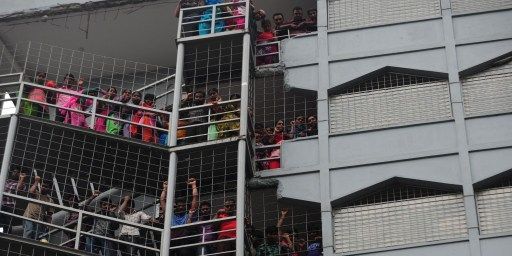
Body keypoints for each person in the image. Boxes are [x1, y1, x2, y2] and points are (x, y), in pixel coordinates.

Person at [164, 178, 198, 256]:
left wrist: (193, 185)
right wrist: (165, 189)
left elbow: (195, 198)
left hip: (183, 240)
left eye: (182, 206)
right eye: (179, 205)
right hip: (171, 240)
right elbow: (162, 200)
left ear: (185, 206)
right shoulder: (170, 215)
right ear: (176, 207)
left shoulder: (188, 215)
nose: (181, 207)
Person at [22, 176, 54, 241]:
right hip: (29, 216)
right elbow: (31, 191)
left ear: (49, 189)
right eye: (43, 185)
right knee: (29, 231)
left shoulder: (50, 200)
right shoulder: (36, 193)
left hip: (39, 220)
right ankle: (25, 245)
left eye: (46, 187)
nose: (43, 187)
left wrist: (48, 225)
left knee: (36, 236)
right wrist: (36, 181)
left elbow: (49, 215)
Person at [0, 167, 27, 233]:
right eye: (14, 171)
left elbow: (18, 190)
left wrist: (22, 178)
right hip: (1, 203)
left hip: (9, 206)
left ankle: (5, 235)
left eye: (17, 172)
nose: (14, 173)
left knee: (6, 223)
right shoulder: (6, 181)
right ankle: (1, 232)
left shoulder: (22, 184)